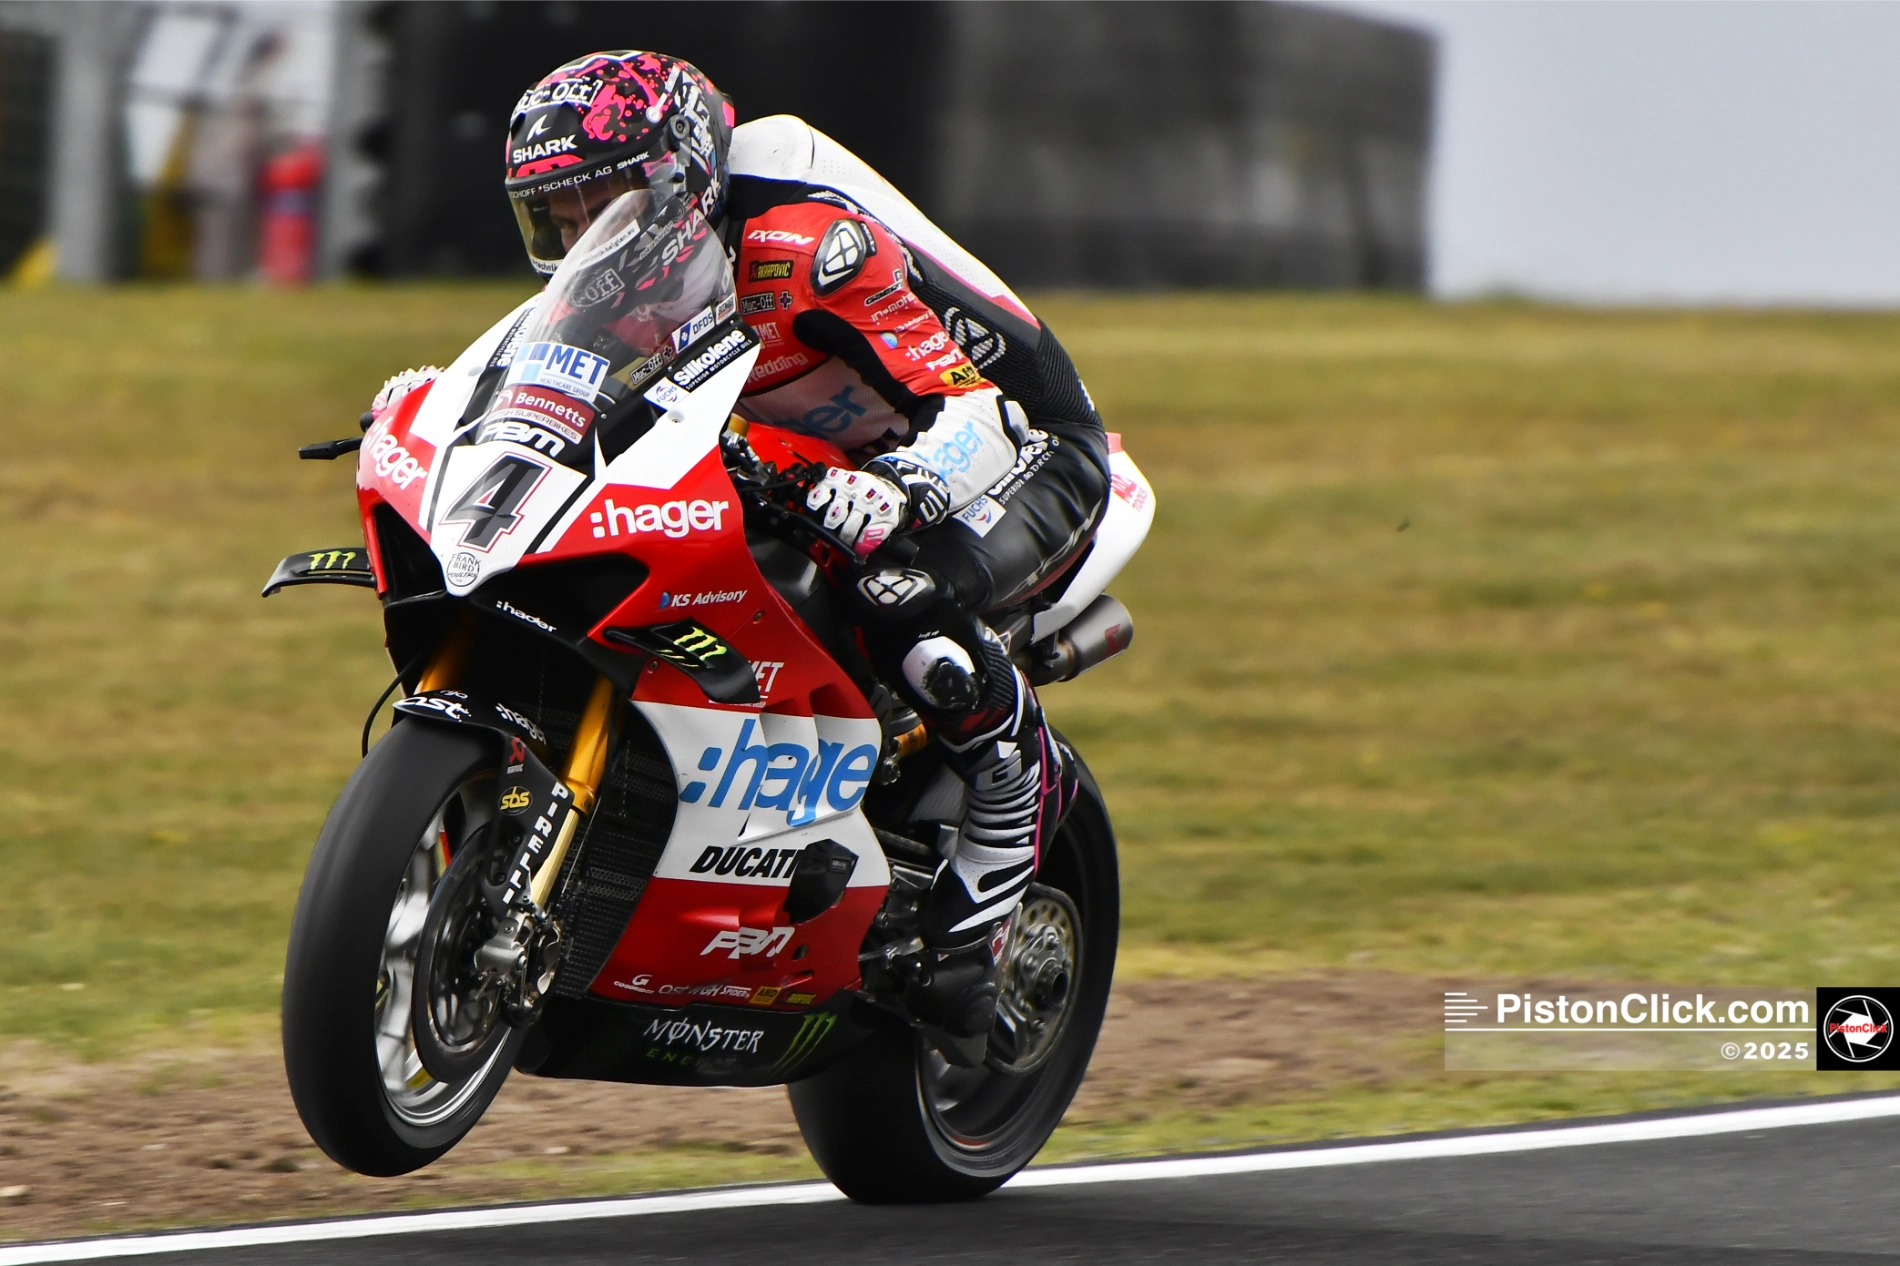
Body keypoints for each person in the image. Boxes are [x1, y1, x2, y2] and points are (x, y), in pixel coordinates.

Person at [502, 51, 1109, 1060]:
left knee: (892, 583)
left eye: (599, 204)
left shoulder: (800, 243)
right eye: (557, 220)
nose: (582, 239)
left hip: (1018, 445)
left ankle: (1014, 787)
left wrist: (902, 488)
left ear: (676, 173)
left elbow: (972, 411)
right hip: (822, 450)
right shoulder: (636, 268)